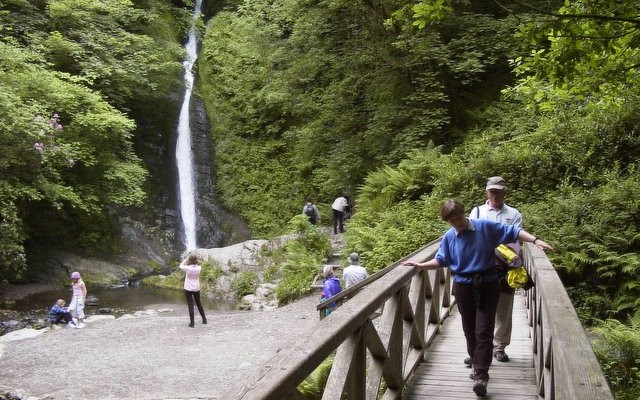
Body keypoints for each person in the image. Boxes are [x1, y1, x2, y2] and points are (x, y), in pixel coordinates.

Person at [402, 199, 553, 397]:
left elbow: (513, 232)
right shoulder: (449, 237)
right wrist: (421, 266)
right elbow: (442, 260)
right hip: (463, 286)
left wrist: (535, 240)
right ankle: (476, 362)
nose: (457, 223)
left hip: (488, 284)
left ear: (464, 213)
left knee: (484, 329)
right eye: (452, 220)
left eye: (458, 218)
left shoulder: (484, 227)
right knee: (469, 329)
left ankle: (481, 375)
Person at [469, 176, 522, 364]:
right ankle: (480, 347)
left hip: (505, 267)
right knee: (479, 307)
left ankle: (499, 346)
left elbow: (514, 239)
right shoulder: (477, 212)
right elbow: (470, 237)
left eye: (498, 191)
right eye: (492, 190)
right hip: (480, 267)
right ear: (486, 191)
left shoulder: (514, 213)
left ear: (505, 191)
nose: (495, 194)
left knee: (504, 307)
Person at [179, 254, 207, 328]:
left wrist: (186, 259)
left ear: (189, 261)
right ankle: (204, 319)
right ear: (196, 260)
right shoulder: (199, 268)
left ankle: (192, 323)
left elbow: (180, 265)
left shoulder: (187, 268)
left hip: (188, 288)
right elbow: (196, 264)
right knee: (198, 303)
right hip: (196, 288)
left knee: (190, 305)